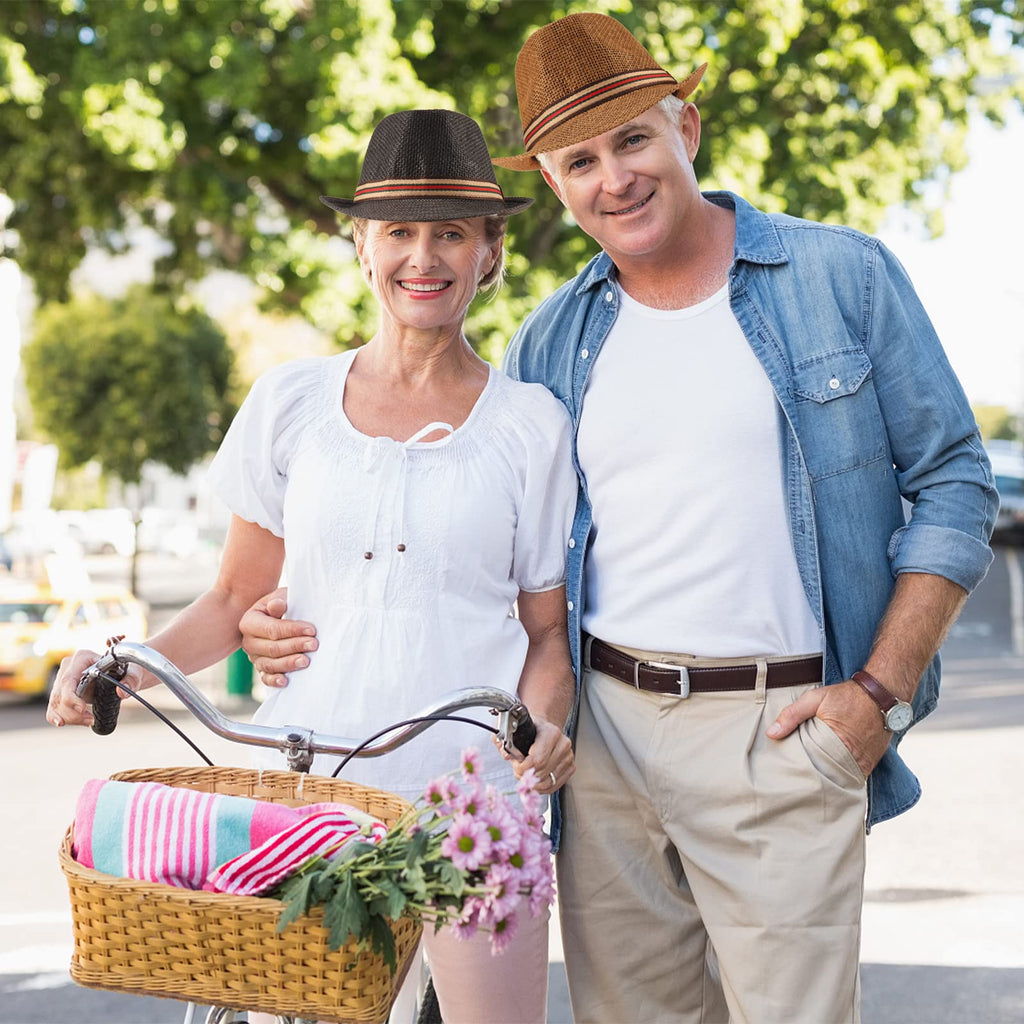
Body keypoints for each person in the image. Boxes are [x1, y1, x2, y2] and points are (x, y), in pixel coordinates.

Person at [237, 15, 999, 1023]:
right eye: (580, 160)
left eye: (633, 139)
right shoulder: (554, 339)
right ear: (553, 185)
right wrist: (284, 614)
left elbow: (954, 478)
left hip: (781, 731)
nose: (615, 178)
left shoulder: (837, 278)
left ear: (686, 127)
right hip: (603, 753)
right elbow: (489, 568)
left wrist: (875, 693)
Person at [46, 108, 578, 1024]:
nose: (425, 256)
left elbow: (544, 634)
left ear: (490, 253)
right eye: (399, 231)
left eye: (451, 232)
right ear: (361, 249)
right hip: (311, 794)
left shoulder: (532, 425)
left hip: (471, 803)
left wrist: (539, 734)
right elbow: (233, 597)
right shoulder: (291, 403)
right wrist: (126, 661)